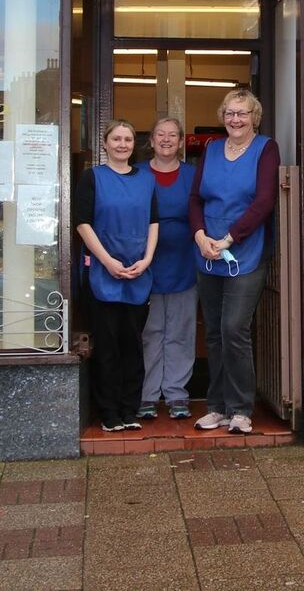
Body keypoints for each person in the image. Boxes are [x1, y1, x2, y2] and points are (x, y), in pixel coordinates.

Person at [189, 88, 280, 435]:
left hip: (244, 251)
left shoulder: (265, 148)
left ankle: (241, 409)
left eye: (242, 113)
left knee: (233, 329)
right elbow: (195, 198)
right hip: (207, 252)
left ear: (254, 116)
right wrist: (200, 236)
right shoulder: (211, 149)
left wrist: (229, 237)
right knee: (213, 333)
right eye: (229, 113)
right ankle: (218, 408)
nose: (235, 119)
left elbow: (264, 201)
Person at [75, 119, 158, 433]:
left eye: (127, 139)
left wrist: (147, 259)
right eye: (116, 139)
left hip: (138, 272)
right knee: (107, 346)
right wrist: (107, 261)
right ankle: (109, 413)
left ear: (133, 144)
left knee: (132, 345)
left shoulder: (146, 180)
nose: (122, 144)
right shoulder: (92, 178)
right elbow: (82, 223)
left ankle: (129, 409)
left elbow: (154, 222)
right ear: (105, 143)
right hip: (103, 272)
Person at [135, 117, 200, 421]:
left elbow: (204, 213)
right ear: (151, 140)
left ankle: (176, 394)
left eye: (172, 135)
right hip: (145, 263)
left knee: (181, 331)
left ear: (180, 141)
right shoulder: (137, 175)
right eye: (160, 134)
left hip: (185, 262)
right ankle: (147, 395)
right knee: (150, 332)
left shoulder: (192, 175)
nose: (166, 139)